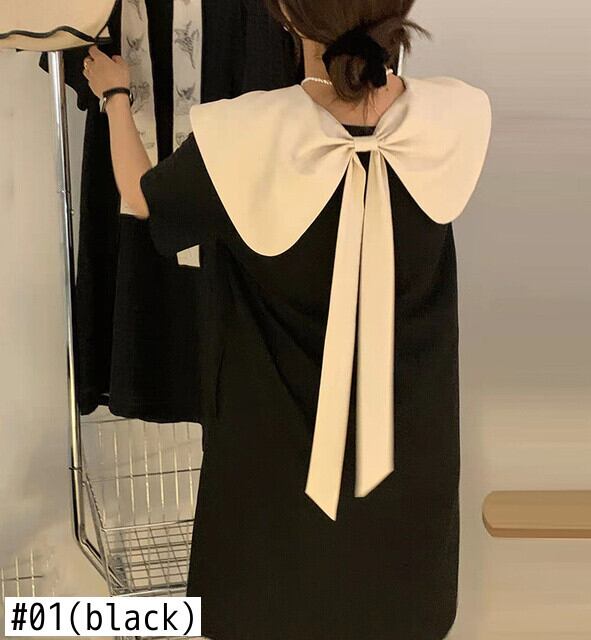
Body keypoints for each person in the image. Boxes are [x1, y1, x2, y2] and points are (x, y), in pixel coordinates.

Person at [82, 1, 492, 638]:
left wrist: (114, 96)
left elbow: (142, 198)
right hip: (410, 472)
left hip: (271, 479)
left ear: (287, 16)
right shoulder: (454, 114)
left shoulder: (246, 135)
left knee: (266, 606)